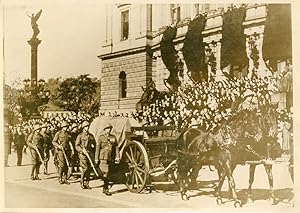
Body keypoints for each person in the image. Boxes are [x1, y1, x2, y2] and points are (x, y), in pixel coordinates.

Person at [95, 123, 120, 196]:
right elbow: (97, 149)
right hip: (103, 157)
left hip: (110, 157)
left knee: (107, 173)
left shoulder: (113, 137)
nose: (108, 130)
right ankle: (106, 189)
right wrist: (96, 159)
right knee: (106, 172)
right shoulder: (101, 137)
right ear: (104, 130)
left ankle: (104, 188)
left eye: (109, 129)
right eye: (107, 129)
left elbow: (116, 148)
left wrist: (117, 157)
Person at [75, 121, 96, 189]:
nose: (87, 128)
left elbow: (94, 144)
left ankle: (87, 183)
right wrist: (82, 150)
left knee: (89, 169)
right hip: (82, 154)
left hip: (89, 154)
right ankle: (82, 181)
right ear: (83, 128)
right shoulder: (80, 136)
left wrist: (92, 148)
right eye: (86, 127)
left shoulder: (90, 135)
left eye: (88, 126)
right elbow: (77, 146)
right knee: (85, 168)